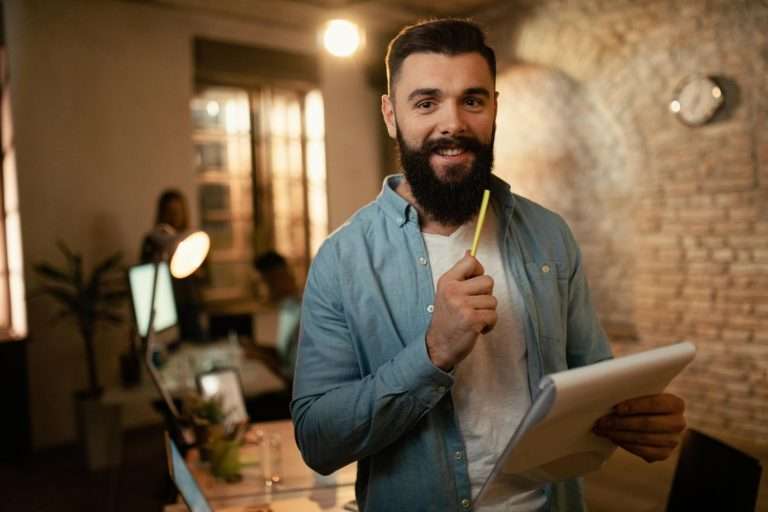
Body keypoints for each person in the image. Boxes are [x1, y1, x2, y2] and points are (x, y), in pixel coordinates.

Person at [291, 19, 686, 512]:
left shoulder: (549, 235)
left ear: (494, 108)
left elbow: (593, 383)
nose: (452, 123)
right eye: (426, 102)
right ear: (391, 115)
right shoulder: (342, 259)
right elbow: (317, 441)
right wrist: (433, 352)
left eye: (472, 101)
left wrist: (636, 419)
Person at [140, 189, 206, 342]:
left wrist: (194, 269)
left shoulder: (193, 241)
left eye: (177, 211)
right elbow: (145, 276)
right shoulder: (153, 241)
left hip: (190, 305)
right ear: (162, 213)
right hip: (164, 309)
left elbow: (207, 277)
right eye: (170, 212)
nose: (174, 216)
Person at [246, 250, 301, 385]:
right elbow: (286, 356)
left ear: (277, 278)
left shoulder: (303, 312)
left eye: (263, 282)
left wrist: (262, 358)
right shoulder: (289, 307)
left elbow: (293, 376)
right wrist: (260, 350)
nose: (261, 291)